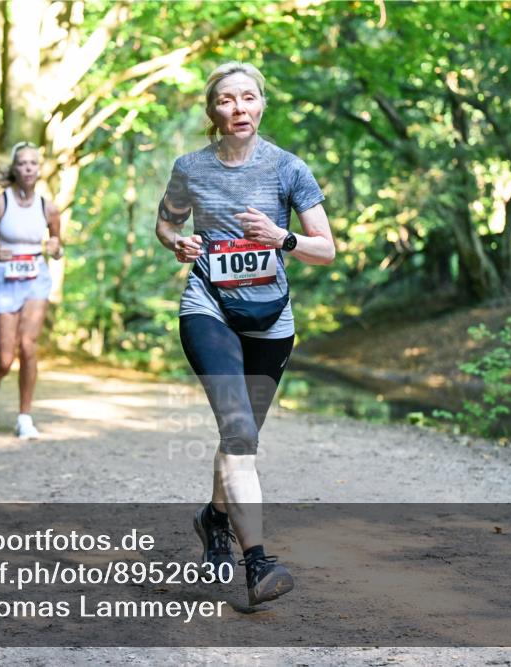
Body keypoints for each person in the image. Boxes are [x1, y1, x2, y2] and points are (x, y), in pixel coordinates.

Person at [155, 62, 335, 605]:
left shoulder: (288, 169)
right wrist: (177, 243)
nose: (239, 108)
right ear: (213, 111)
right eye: (227, 100)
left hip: (271, 319)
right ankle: (257, 563)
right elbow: (168, 222)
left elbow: (326, 249)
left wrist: (282, 237)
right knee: (238, 432)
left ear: (261, 105)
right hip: (208, 307)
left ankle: (213, 519)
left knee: (241, 439)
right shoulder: (190, 167)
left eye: (249, 97)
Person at [0, 142, 63, 439]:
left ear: (39, 169)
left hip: (35, 277)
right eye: (22, 163)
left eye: (33, 163)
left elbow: (57, 246)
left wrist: (55, 247)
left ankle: (24, 417)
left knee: (28, 345)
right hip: (4, 279)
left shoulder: (47, 207)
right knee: (4, 358)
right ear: (14, 168)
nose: (28, 168)